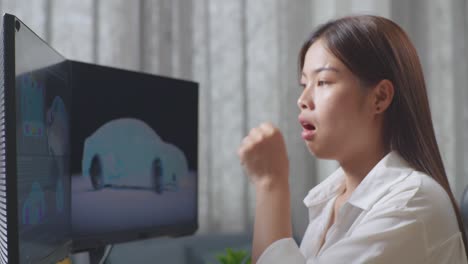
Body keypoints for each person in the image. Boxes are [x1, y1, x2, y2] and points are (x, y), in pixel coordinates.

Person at [237, 15, 468, 264]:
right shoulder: (331, 199)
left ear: (379, 97)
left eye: (323, 82)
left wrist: (271, 183)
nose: (303, 99)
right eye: (304, 83)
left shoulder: (412, 202)